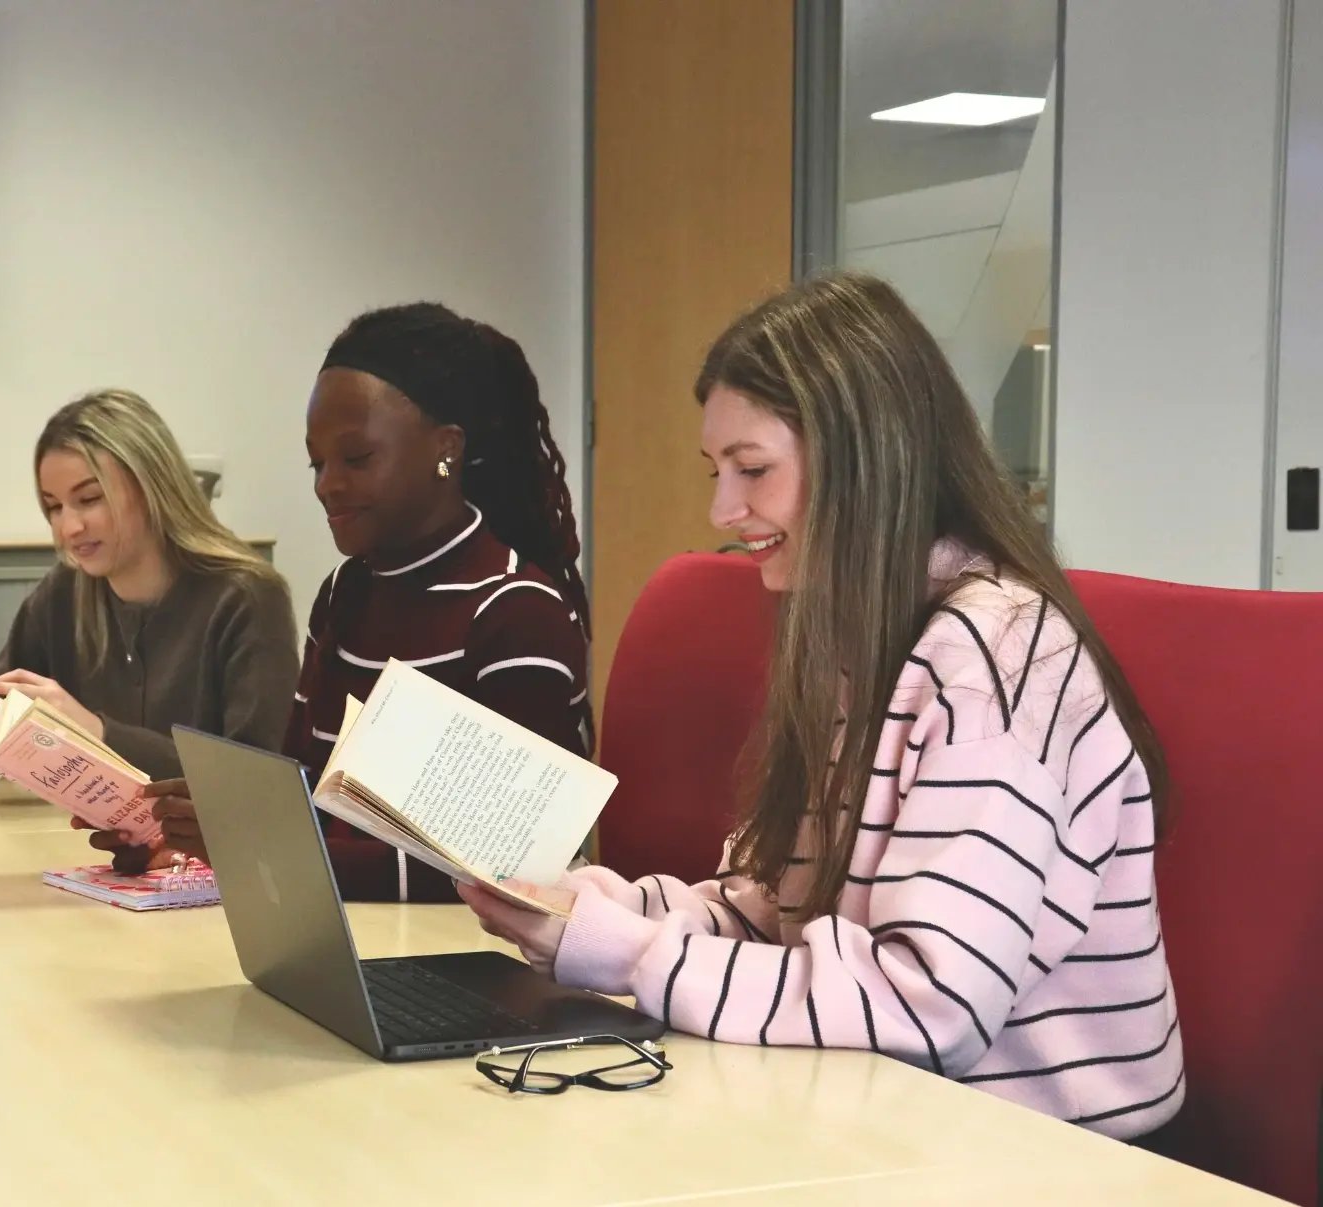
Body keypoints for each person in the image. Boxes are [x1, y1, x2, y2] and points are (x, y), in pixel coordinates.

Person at [461, 272, 1184, 1140]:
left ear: (865, 460)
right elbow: (778, 914)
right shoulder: (865, 633)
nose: (722, 510)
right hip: (896, 1117)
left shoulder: (994, 656)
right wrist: (607, 910)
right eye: (718, 471)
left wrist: (630, 954)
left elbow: (929, 1008)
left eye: (753, 469)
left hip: (1050, 1152)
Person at [104, 303, 594, 901]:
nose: (327, 484)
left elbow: (505, 873)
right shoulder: (346, 593)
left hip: (463, 947)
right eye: (317, 462)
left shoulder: (516, 611)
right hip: (354, 925)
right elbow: (303, 794)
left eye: (357, 458)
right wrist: (180, 830)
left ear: (446, 449)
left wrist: (254, 845)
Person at [0, 390, 300, 832]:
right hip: (80, 847)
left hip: (208, 857)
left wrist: (96, 733)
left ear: (151, 486)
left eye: (89, 499)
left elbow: (252, 781)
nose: (69, 527)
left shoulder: (247, 597)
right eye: (54, 507)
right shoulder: (62, 592)